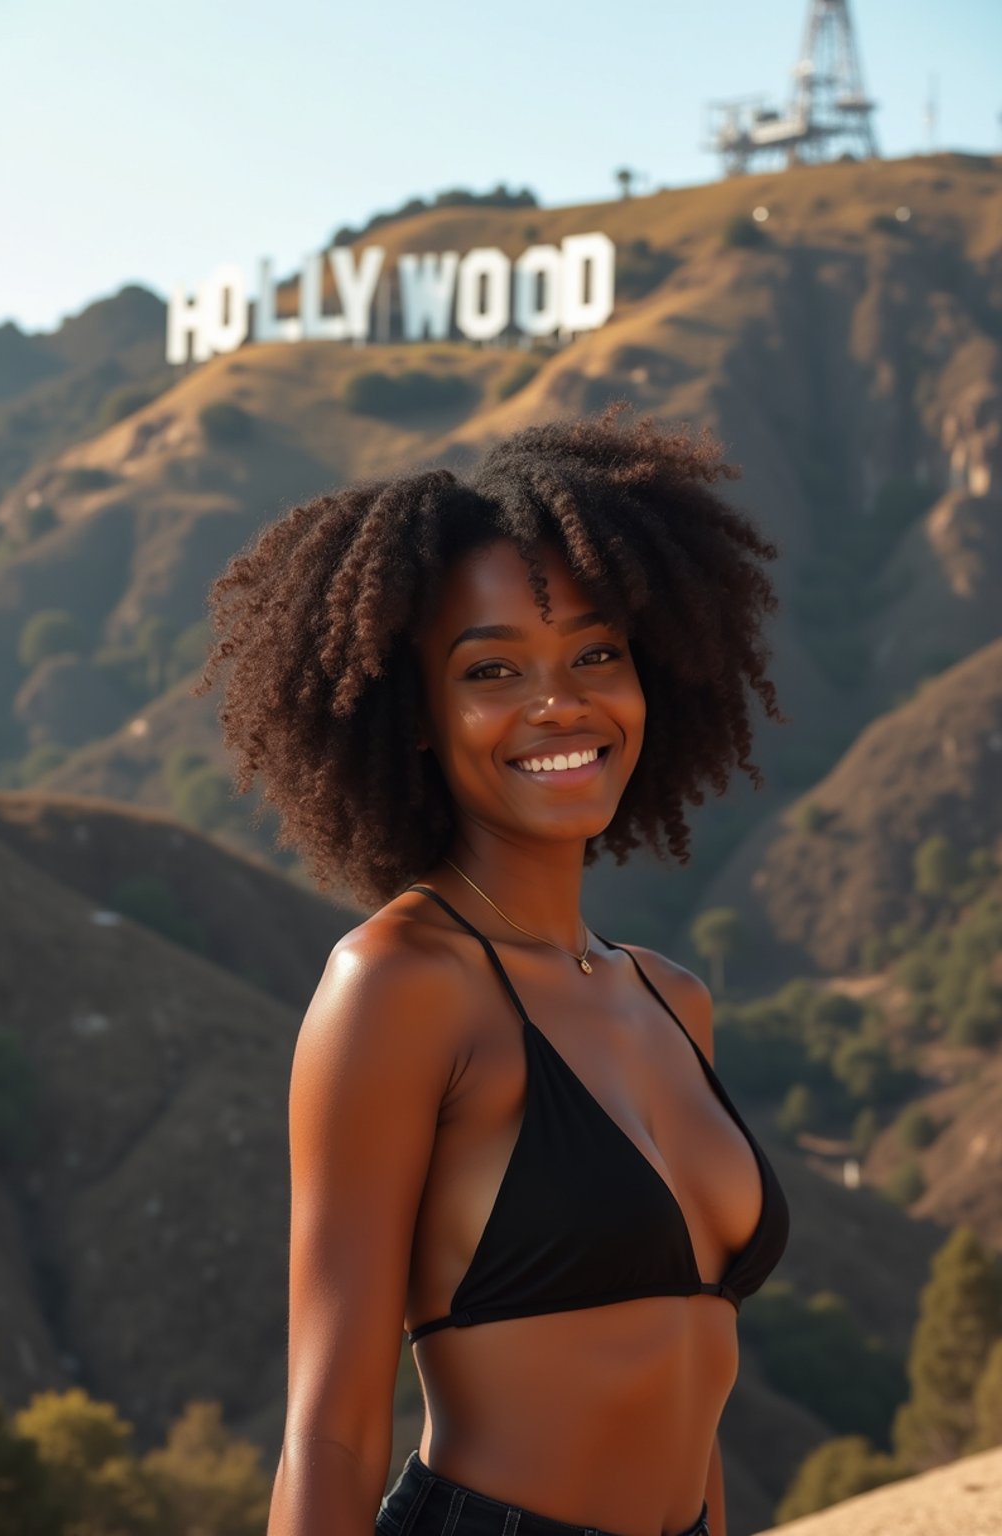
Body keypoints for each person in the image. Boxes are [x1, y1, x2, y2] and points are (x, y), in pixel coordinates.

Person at [193, 403, 791, 1536]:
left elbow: (690, 1377)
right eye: (491, 669)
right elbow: (331, 1418)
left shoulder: (672, 999)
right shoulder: (398, 985)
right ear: (415, 716)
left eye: (596, 654)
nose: (557, 703)